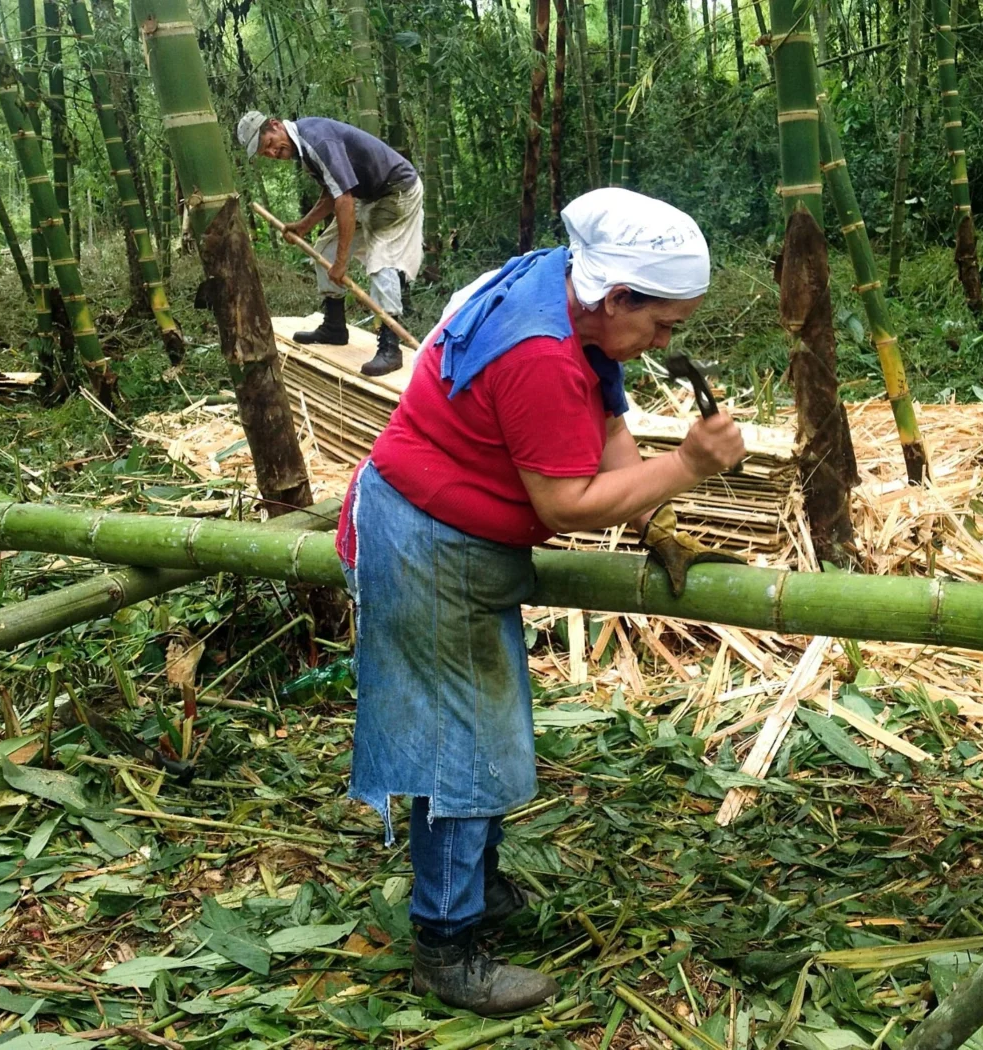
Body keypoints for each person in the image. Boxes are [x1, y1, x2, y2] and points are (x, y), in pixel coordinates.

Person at [332, 188, 747, 1015]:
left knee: (478, 729)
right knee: (462, 746)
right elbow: (564, 505)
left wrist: (652, 516)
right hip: (424, 544)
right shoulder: (539, 354)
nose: (668, 342)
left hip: (440, 533)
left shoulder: (562, 290)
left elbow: (606, 421)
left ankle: (472, 893)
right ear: (617, 295)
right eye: (664, 323)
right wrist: (690, 468)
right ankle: (445, 945)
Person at [236, 110, 422, 377]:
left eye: (269, 145)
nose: (273, 153)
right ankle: (335, 326)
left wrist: (341, 263)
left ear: (275, 126)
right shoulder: (305, 147)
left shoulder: (317, 140)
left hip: (397, 190)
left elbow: (343, 199)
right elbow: (331, 192)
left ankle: (390, 346)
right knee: (324, 248)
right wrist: (304, 226)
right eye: (266, 154)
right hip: (366, 195)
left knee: (382, 261)